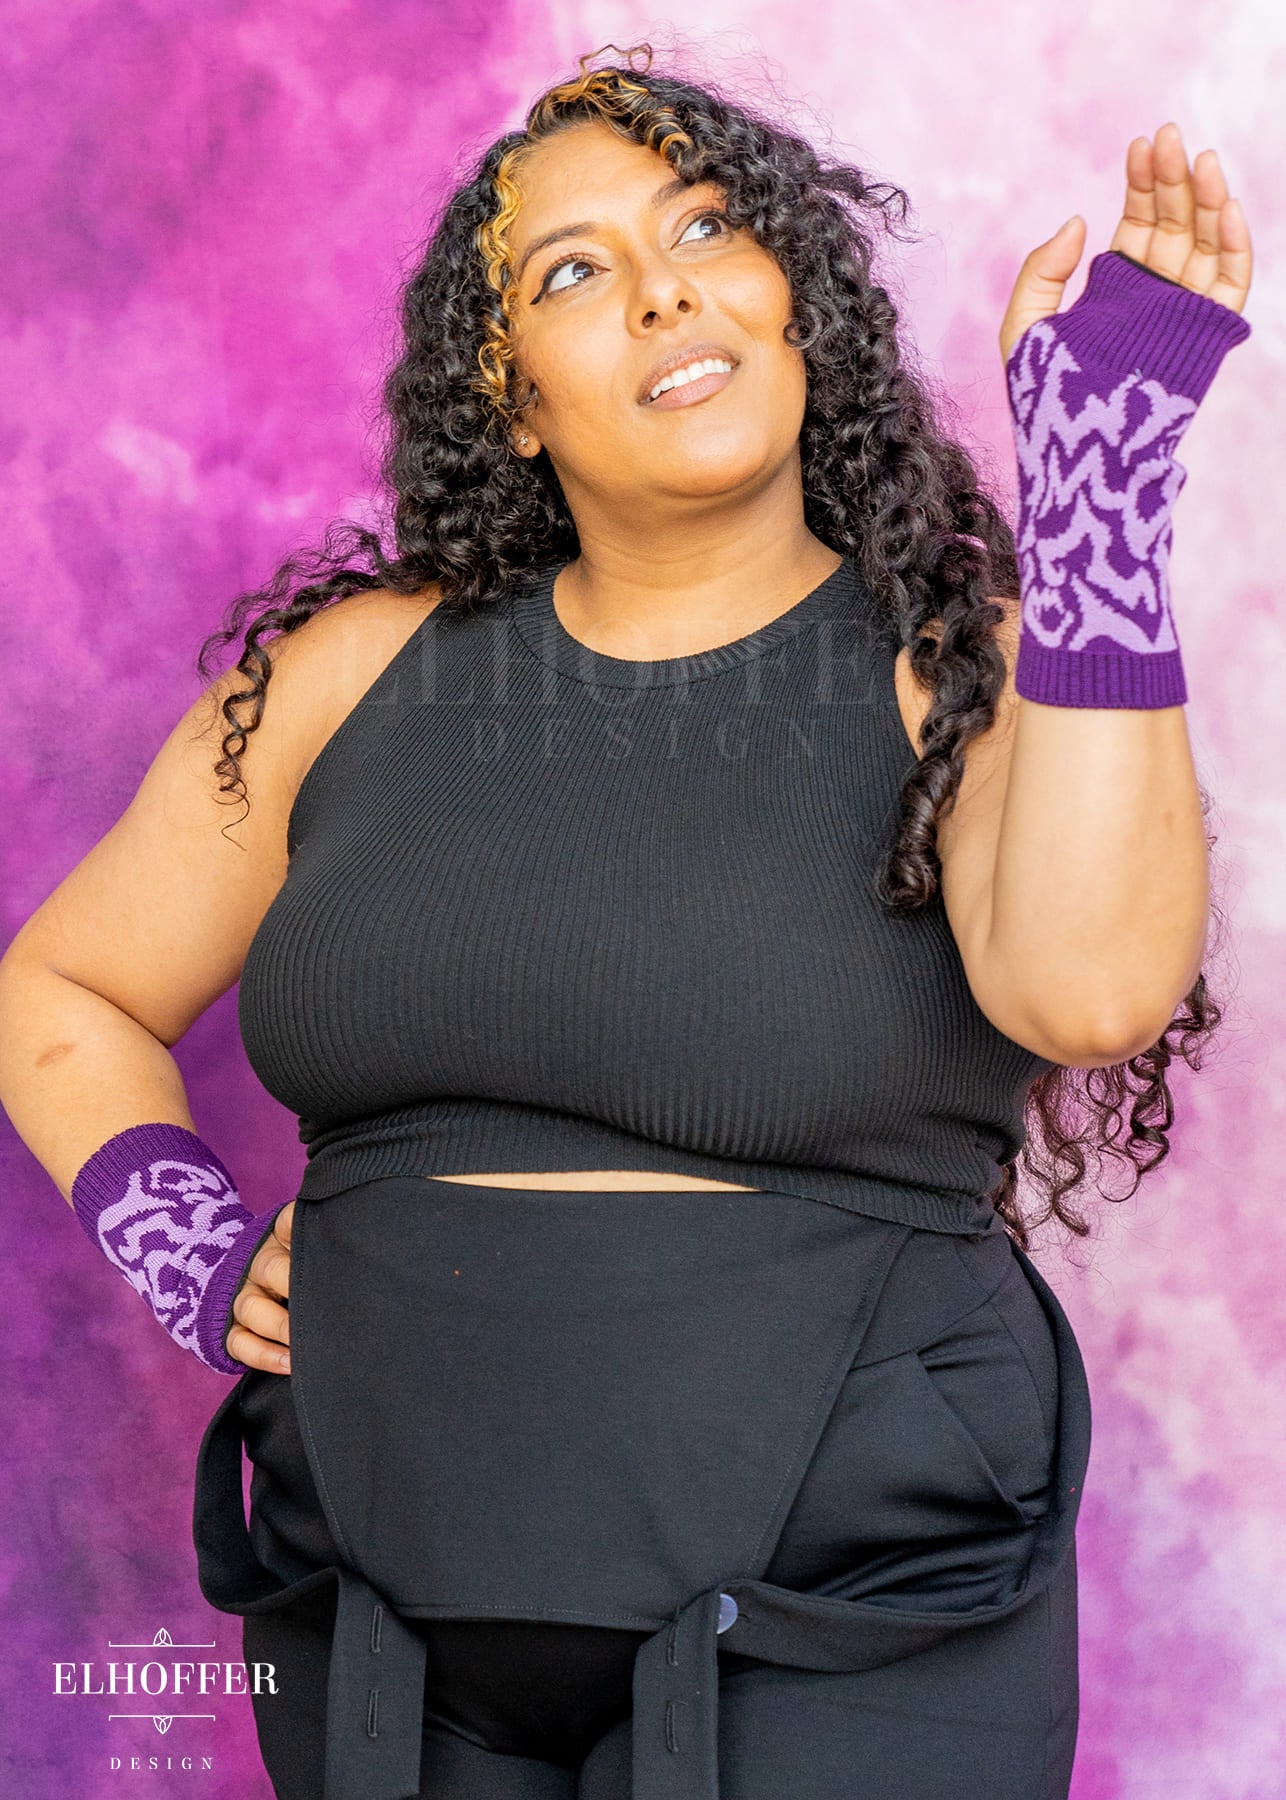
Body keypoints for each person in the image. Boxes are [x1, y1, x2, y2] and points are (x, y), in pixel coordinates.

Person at [0, 45, 1253, 1800]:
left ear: (794, 303)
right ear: (509, 398)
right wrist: (187, 1247)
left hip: (850, 1598)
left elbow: (1095, 989)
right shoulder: (349, 674)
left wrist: (1096, 495)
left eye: (709, 227)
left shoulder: (961, 674)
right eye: (572, 271)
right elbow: (61, 987)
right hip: (382, 1606)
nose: (664, 288)